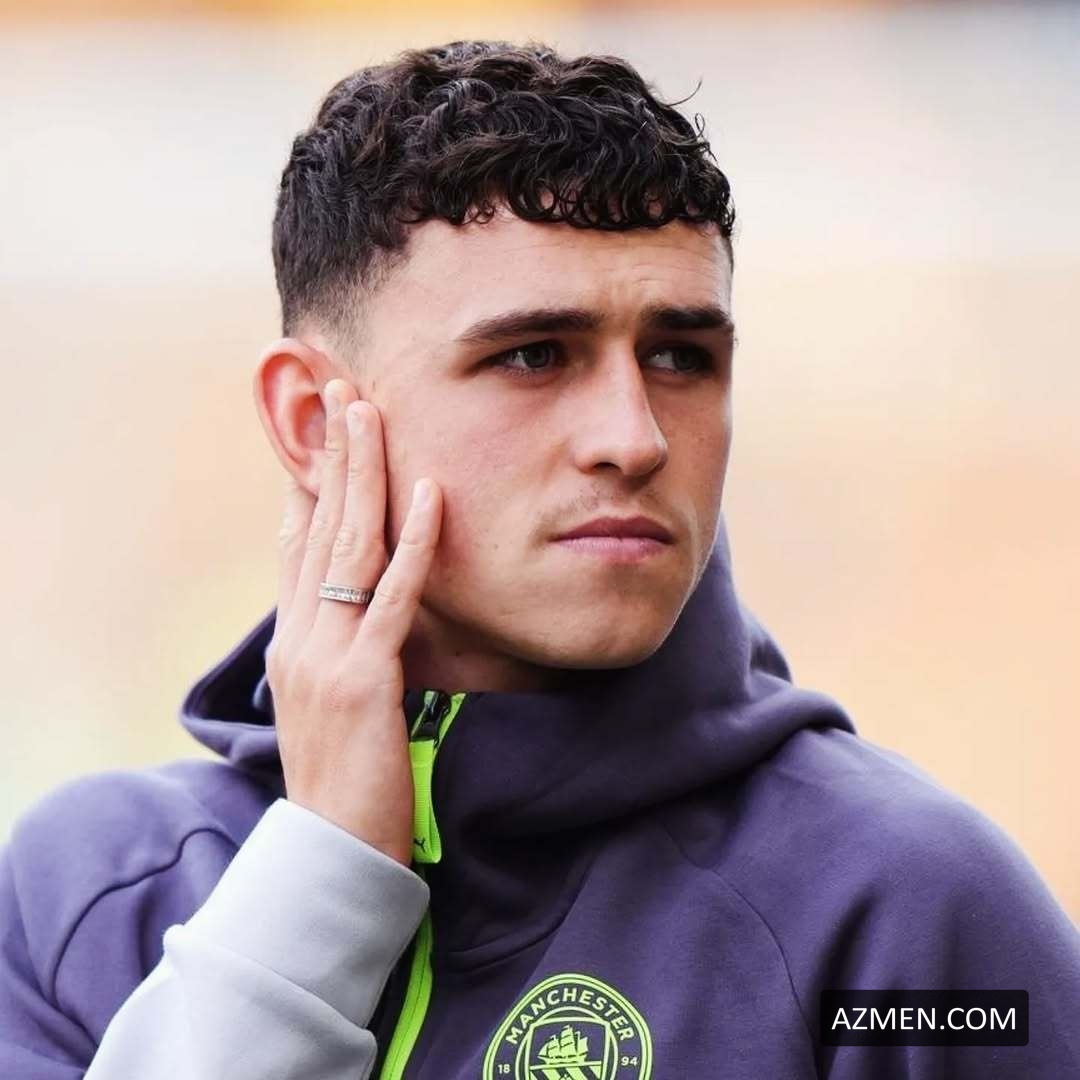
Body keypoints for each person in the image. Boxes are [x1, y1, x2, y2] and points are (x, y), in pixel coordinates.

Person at [1, 38, 1077, 1080]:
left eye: (680, 356)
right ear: (315, 424)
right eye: (532, 355)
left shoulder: (905, 908)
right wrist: (323, 874)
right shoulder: (84, 898)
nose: (635, 438)